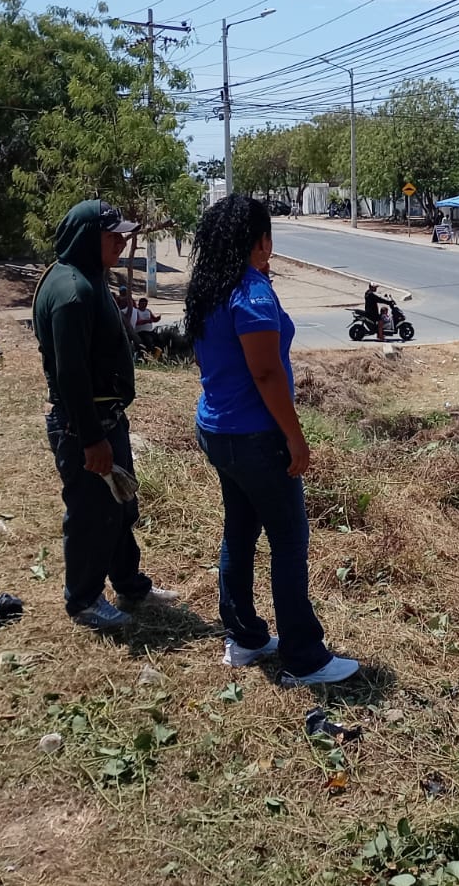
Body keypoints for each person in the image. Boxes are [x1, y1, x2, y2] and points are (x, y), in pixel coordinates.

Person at [186, 196, 359, 687]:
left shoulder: (209, 287)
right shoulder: (251, 294)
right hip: (255, 437)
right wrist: (295, 437)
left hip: (217, 429)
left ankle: (244, 637)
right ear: (259, 240)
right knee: (288, 540)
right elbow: (265, 373)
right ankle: (304, 659)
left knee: (240, 531)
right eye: (269, 237)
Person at [33, 201, 177, 631]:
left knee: (119, 506)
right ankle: (83, 600)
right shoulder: (72, 292)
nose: (121, 241)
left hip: (106, 418)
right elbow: (71, 373)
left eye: (122, 234)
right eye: (112, 235)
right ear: (86, 238)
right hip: (85, 425)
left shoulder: (88, 277)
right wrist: (91, 439)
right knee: (91, 514)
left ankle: (130, 585)